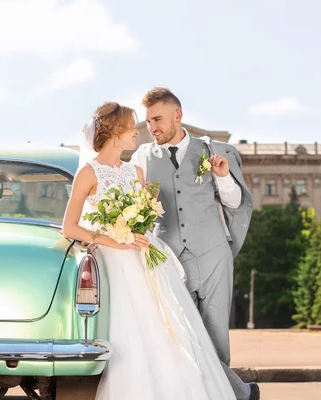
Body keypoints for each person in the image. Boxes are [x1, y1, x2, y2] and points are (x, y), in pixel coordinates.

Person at [62, 101, 241, 399]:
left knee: (171, 332)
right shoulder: (88, 173)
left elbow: (143, 222)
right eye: (131, 126)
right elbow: (70, 228)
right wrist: (116, 240)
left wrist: (145, 208)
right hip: (116, 264)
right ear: (116, 132)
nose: (137, 131)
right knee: (133, 334)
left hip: (148, 261)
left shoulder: (135, 172)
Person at [130, 87, 258, 400]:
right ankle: (241, 394)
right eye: (148, 122)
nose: (153, 127)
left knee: (215, 336)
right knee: (180, 333)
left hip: (213, 254)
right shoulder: (143, 157)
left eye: (158, 119)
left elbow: (235, 201)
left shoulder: (214, 151)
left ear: (178, 115)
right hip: (168, 259)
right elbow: (134, 206)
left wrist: (224, 178)